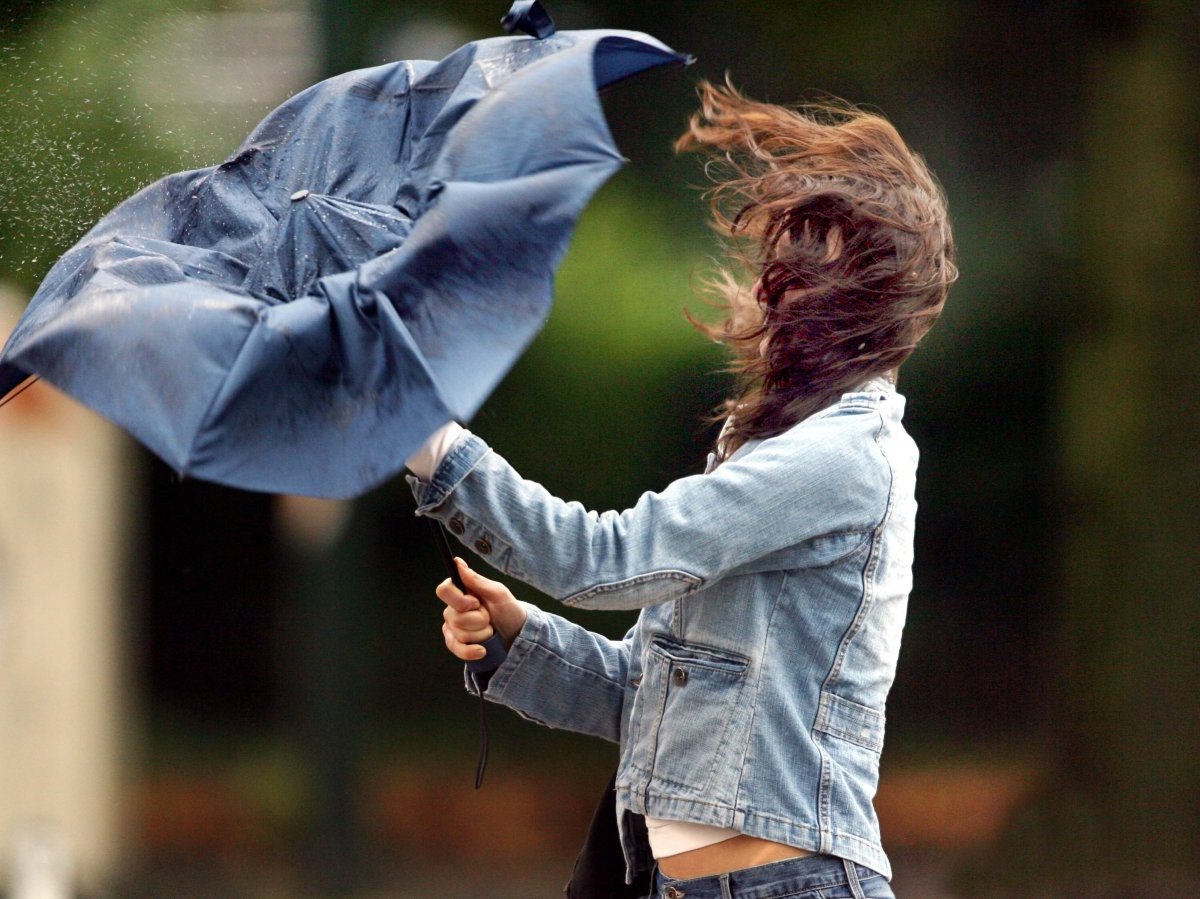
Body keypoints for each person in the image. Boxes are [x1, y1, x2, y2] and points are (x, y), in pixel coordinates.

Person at [406, 80, 956, 899]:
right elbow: (650, 696)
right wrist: (519, 639)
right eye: (791, 253)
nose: (785, 283)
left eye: (818, 261)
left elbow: (602, 556)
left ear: (876, 299)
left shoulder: (845, 456)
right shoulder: (772, 446)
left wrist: (434, 447)